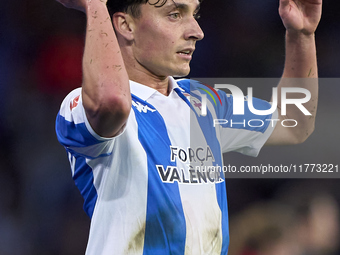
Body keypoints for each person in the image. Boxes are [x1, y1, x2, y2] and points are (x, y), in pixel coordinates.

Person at [55, 0, 322, 254]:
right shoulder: (79, 106)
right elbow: (111, 102)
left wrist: (301, 35)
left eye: (195, 14)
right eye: (175, 14)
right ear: (126, 26)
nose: (197, 31)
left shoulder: (205, 103)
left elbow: (295, 124)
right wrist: (95, 5)